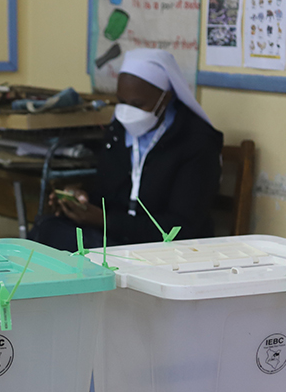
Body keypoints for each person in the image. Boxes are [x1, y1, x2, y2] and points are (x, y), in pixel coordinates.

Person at [29, 49, 223, 251]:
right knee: (47, 228)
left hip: (168, 250)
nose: (127, 111)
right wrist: (79, 201)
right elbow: (107, 194)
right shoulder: (118, 131)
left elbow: (180, 228)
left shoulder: (196, 142)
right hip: (117, 238)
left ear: (165, 99)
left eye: (137, 104)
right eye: (121, 102)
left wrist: (106, 220)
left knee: (69, 246)